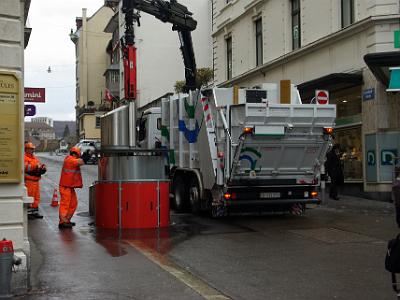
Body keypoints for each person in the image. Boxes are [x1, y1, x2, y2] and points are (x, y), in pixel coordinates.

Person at [58, 147, 84, 229]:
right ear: (76, 154)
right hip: (65, 186)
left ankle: (67, 220)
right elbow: (80, 162)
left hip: (69, 186)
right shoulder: (70, 160)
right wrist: (87, 156)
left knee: (73, 203)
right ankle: (62, 221)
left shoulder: (71, 160)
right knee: (65, 204)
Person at [24, 142, 47, 219]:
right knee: (30, 196)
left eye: (32, 149)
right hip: (29, 180)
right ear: (26, 149)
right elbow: (27, 167)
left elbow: (38, 164)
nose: (32, 150)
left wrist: (43, 167)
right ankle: (28, 213)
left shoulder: (34, 158)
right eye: (31, 149)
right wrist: (36, 167)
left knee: (36, 197)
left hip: (36, 180)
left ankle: (34, 212)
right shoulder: (24, 158)